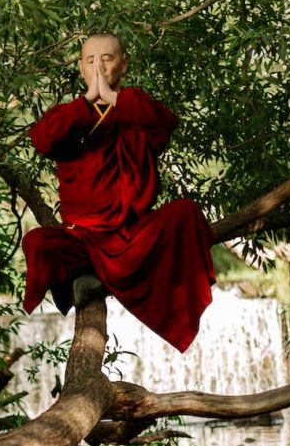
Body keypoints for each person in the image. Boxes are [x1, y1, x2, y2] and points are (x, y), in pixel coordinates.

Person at [21, 32, 215, 353]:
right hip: (83, 237)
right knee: (37, 242)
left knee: (185, 212)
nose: (98, 67)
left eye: (107, 59)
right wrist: (87, 101)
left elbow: (165, 124)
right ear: (80, 67)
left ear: (124, 64)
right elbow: (43, 140)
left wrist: (113, 98)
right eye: (90, 60)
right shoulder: (69, 115)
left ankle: (91, 279)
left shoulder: (134, 107)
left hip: (133, 234)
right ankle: (93, 275)